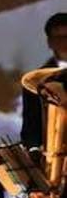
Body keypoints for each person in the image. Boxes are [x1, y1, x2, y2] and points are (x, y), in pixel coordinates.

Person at [20, 11, 67, 149]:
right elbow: (30, 126)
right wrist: (33, 149)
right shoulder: (36, 80)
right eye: (58, 38)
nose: (64, 43)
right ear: (49, 42)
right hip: (51, 154)